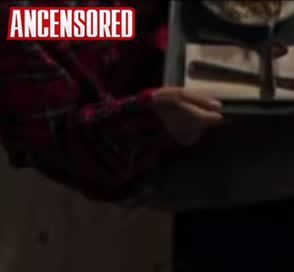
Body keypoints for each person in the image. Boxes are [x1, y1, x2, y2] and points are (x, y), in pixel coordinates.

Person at [0, 0, 225, 202]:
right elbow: (63, 153)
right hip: (137, 149)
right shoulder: (15, 23)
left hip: (162, 51)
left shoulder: (46, 21)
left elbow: (105, 26)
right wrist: (150, 117)